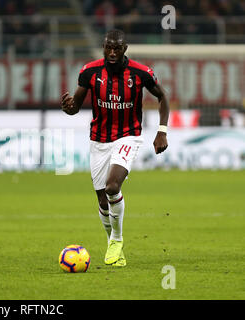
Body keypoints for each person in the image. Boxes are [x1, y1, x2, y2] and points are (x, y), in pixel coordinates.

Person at [61, 29, 169, 266]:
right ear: (103, 47)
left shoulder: (141, 73)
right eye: (108, 47)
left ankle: (117, 239)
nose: (112, 52)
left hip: (128, 136)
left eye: (117, 48)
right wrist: (69, 107)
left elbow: (162, 96)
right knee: (102, 201)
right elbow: (76, 106)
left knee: (112, 186)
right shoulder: (89, 71)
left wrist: (162, 130)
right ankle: (114, 245)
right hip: (99, 140)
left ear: (125, 49)